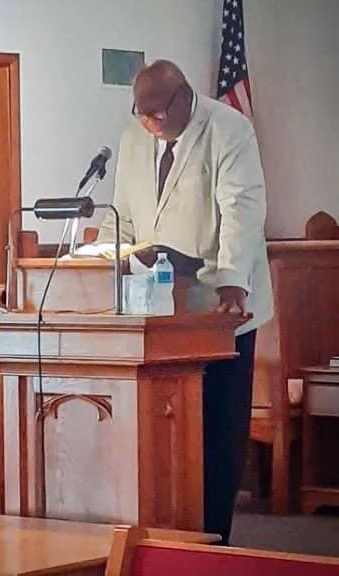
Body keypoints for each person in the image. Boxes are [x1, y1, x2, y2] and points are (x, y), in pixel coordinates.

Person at [97, 59, 273, 545]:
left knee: (216, 432)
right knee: (160, 434)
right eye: (141, 112)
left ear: (184, 96)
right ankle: (157, 539)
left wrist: (233, 280)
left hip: (219, 310)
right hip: (156, 312)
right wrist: (98, 262)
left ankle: (213, 541)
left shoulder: (228, 129)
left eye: (158, 112)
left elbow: (241, 210)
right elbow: (122, 216)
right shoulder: (134, 139)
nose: (150, 122)